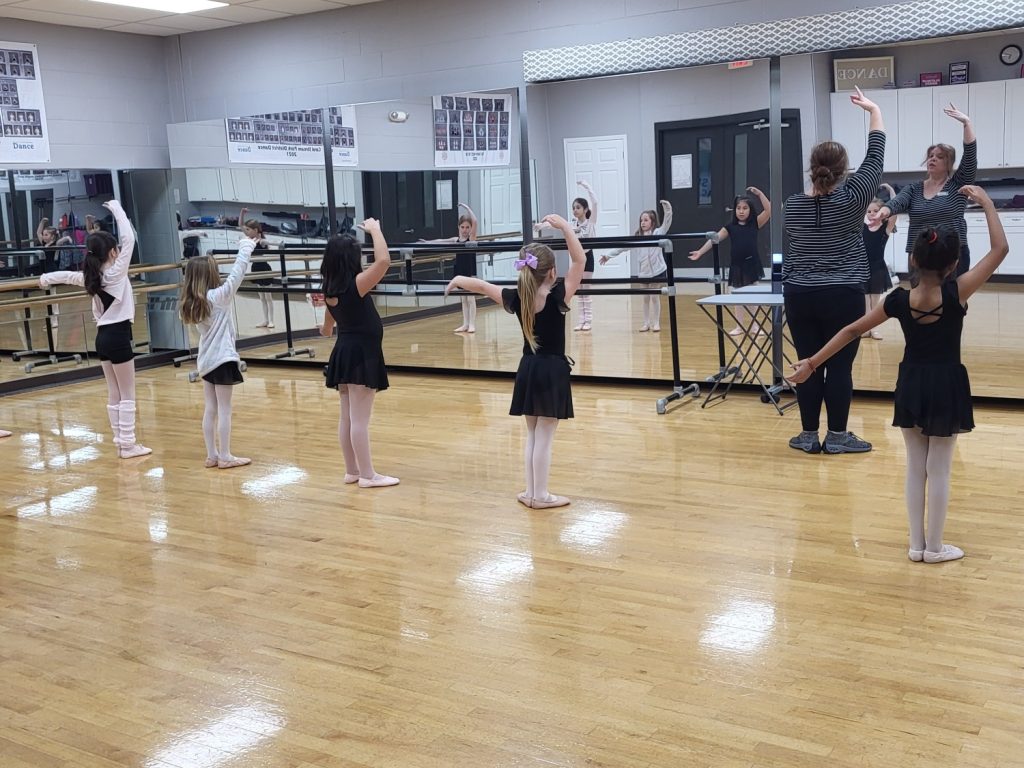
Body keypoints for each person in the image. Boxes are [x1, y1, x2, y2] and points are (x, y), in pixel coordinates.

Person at [789, 185, 1007, 563]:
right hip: (946, 384)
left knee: (915, 467)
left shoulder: (898, 299)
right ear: (954, 264)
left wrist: (811, 363)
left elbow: (851, 331)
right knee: (939, 468)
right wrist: (987, 204)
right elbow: (1000, 249)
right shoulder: (957, 292)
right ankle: (934, 548)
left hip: (911, 383)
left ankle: (916, 545)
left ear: (914, 261)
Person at [446, 214, 585, 509]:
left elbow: (482, 286)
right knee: (544, 436)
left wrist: (458, 279)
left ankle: (531, 492)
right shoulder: (558, 296)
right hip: (551, 371)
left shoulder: (517, 297)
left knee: (533, 434)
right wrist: (565, 227)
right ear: (551, 273)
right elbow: (580, 260)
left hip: (528, 368)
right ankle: (540, 495)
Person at [782, 87, 884, 456]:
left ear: (812, 168)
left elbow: (793, 246)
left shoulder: (792, 205)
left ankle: (809, 436)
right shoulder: (854, 199)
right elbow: (875, 157)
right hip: (843, 295)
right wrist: (873, 110)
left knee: (807, 363)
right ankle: (838, 437)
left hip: (800, 295)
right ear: (843, 171)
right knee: (839, 367)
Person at [38, 200, 151, 459]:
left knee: (114, 391)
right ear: (112, 253)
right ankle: (128, 444)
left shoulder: (91, 277)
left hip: (103, 339)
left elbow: (66, 276)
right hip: (118, 336)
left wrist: (44, 279)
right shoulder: (115, 274)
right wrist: (117, 209)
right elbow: (129, 238)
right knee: (127, 393)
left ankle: (121, 442)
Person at [320, 218, 399, 489]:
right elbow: (384, 261)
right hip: (360, 355)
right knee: (360, 420)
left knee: (348, 417)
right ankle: (367, 475)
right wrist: (375, 230)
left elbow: (326, 330)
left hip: (343, 353)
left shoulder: (330, 290)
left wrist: (329, 321)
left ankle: (352, 471)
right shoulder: (356, 285)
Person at [179, 237, 257, 470]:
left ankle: (212, 455)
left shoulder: (192, 302)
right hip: (222, 359)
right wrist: (246, 247)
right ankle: (225, 456)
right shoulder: (218, 297)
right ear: (209, 274)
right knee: (224, 409)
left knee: (210, 408)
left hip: (206, 361)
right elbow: (237, 273)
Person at [871, 104, 976, 277]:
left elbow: (970, 157)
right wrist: (884, 211)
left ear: (949, 163)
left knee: (953, 293)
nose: (933, 159)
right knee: (920, 295)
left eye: (940, 157)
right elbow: (898, 202)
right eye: (931, 156)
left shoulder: (958, 185)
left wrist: (967, 123)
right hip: (920, 255)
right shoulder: (914, 189)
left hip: (952, 254)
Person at [689, 186, 772, 335]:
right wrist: (700, 251)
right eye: (738, 208)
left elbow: (768, 210)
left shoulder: (755, 223)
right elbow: (715, 238)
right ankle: (739, 326)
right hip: (737, 266)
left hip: (751, 264)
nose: (741, 211)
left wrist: (760, 194)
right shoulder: (730, 227)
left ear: (750, 210)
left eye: (745, 208)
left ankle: (755, 326)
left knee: (753, 295)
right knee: (737, 296)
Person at [600, 200, 673, 332]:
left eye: (646, 220)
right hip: (644, 273)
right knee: (645, 298)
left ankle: (656, 323)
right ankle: (646, 323)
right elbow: (622, 247)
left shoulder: (657, 233)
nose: (642, 223)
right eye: (641, 220)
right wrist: (608, 255)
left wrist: (667, 209)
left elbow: (666, 223)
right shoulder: (638, 237)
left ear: (652, 222)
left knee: (654, 297)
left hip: (657, 271)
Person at [420, 202, 478, 333]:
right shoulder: (455, 240)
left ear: (470, 228)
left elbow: (475, 221)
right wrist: (428, 242)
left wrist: (467, 208)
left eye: (467, 227)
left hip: (470, 271)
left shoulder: (472, 239)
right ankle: (465, 324)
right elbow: (441, 241)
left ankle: (472, 324)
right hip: (460, 271)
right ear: (458, 227)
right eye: (462, 227)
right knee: (463, 299)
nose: (465, 230)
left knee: (470, 298)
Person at [862, 185, 898, 340]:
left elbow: (895, 210)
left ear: (882, 212)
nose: (871, 214)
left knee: (875, 302)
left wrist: (890, 190)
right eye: (869, 211)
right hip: (862, 268)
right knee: (865, 302)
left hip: (877, 268)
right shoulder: (862, 227)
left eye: (875, 211)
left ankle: (874, 328)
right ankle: (865, 328)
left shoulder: (885, 228)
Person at [239, 208, 275, 328]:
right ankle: (265, 320)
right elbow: (240, 225)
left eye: (248, 230)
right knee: (262, 298)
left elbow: (268, 244)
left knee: (268, 297)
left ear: (255, 230)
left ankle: (271, 320)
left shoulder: (261, 241)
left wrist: (269, 243)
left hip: (264, 268)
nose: (246, 232)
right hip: (255, 268)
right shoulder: (250, 239)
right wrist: (242, 213)